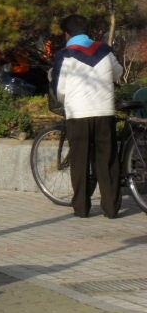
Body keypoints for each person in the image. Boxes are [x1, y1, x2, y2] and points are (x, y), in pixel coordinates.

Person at [51, 14, 124, 218]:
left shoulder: (65, 54)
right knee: (107, 160)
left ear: (67, 34)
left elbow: (60, 90)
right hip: (104, 111)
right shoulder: (104, 50)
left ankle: (82, 208)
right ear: (87, 31)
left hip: (78, 114)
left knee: (80, 159)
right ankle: (111, 209)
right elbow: (118, 73)